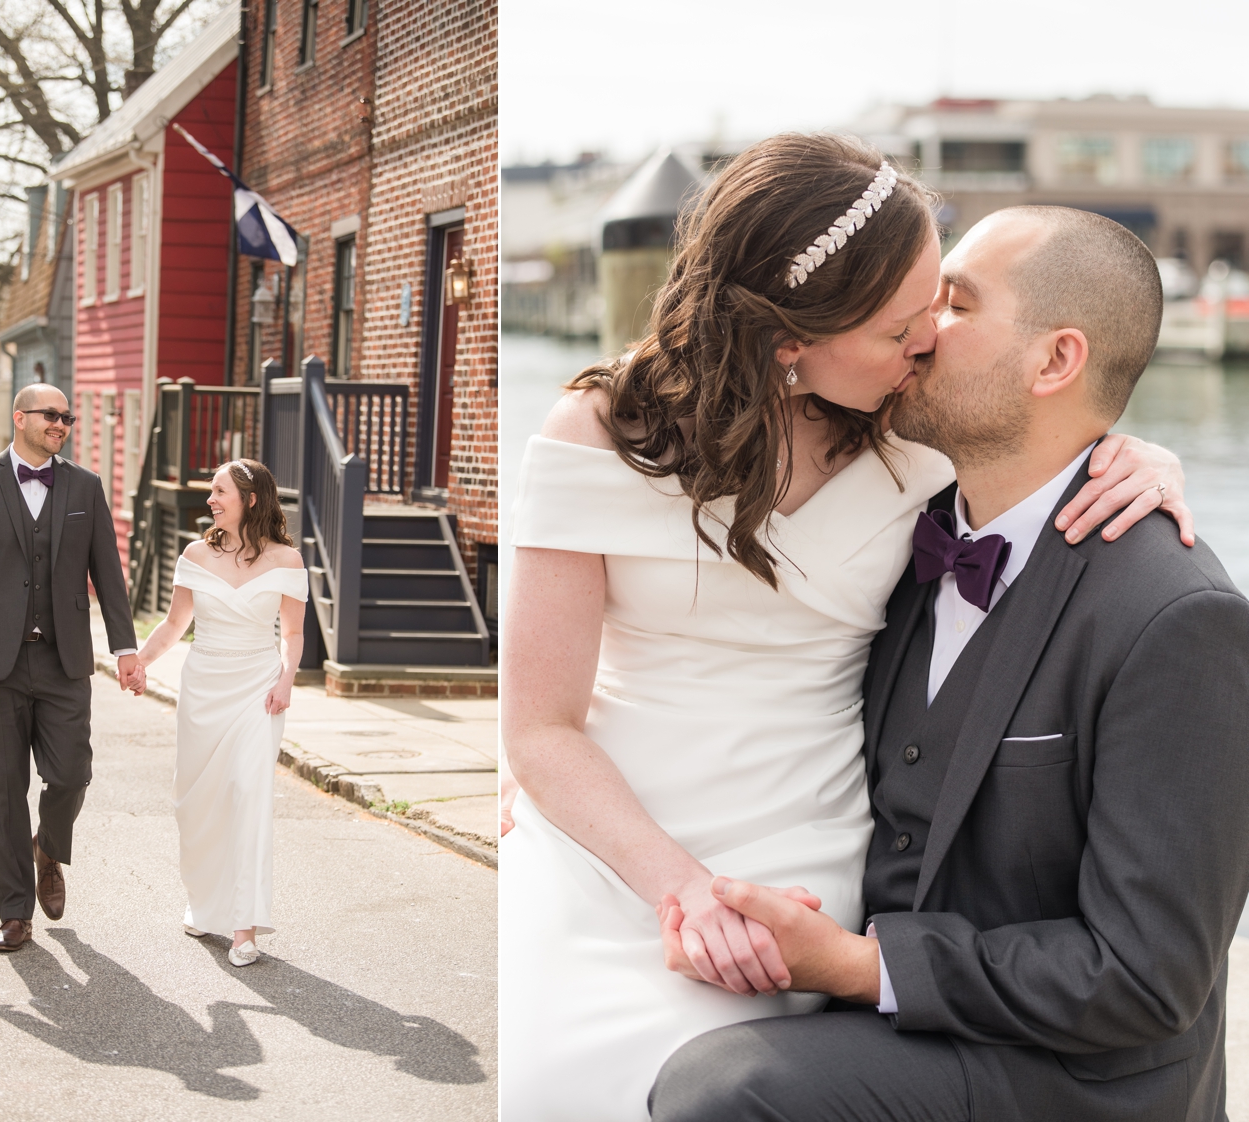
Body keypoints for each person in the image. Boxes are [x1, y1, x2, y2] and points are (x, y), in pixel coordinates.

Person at [498, 135, 1197, 1122]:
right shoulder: (595, 436)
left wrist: (1137, 455)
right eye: (904, 325)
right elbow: (538, 729)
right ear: (792, 340)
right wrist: (680, 887)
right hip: (614, 841)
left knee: (709, 1080)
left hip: (803, 841)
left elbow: (1040, 433)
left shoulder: (914, 437)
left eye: (943, 304)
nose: (928, 345)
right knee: (544, 1077)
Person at [649, 206, 1249, 1122]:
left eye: (955, 304)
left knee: (725, 1092)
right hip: (893, 1005)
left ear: (1056, 361)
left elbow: (1145, 976)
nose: (921, 330)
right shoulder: (903, 524)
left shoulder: (1178, 619)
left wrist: (856, 967)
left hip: (1068, 1074)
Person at [0, 383, 140, 953]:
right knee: (2, 789)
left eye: (67, 417)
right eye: (52, 415)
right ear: (19, 417)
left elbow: (109, 576)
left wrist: (125, 648)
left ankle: (49, 846)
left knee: (71, 773)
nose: (62, 424)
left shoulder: (85, 487)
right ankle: (15, 910)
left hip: (65, 658)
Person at [127, 459, 307, 966]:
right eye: (211, 490)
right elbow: (173, 623)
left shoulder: (288, 563)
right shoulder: (194, 555)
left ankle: (244, 928)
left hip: (258, 689)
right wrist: (138, 663)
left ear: (251, 499)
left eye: (220, 491)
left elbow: (292, 635)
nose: (210, 499)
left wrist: (286, 678)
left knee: (249, 796)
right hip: (203, 688)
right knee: (198, 803)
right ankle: (205, 904)